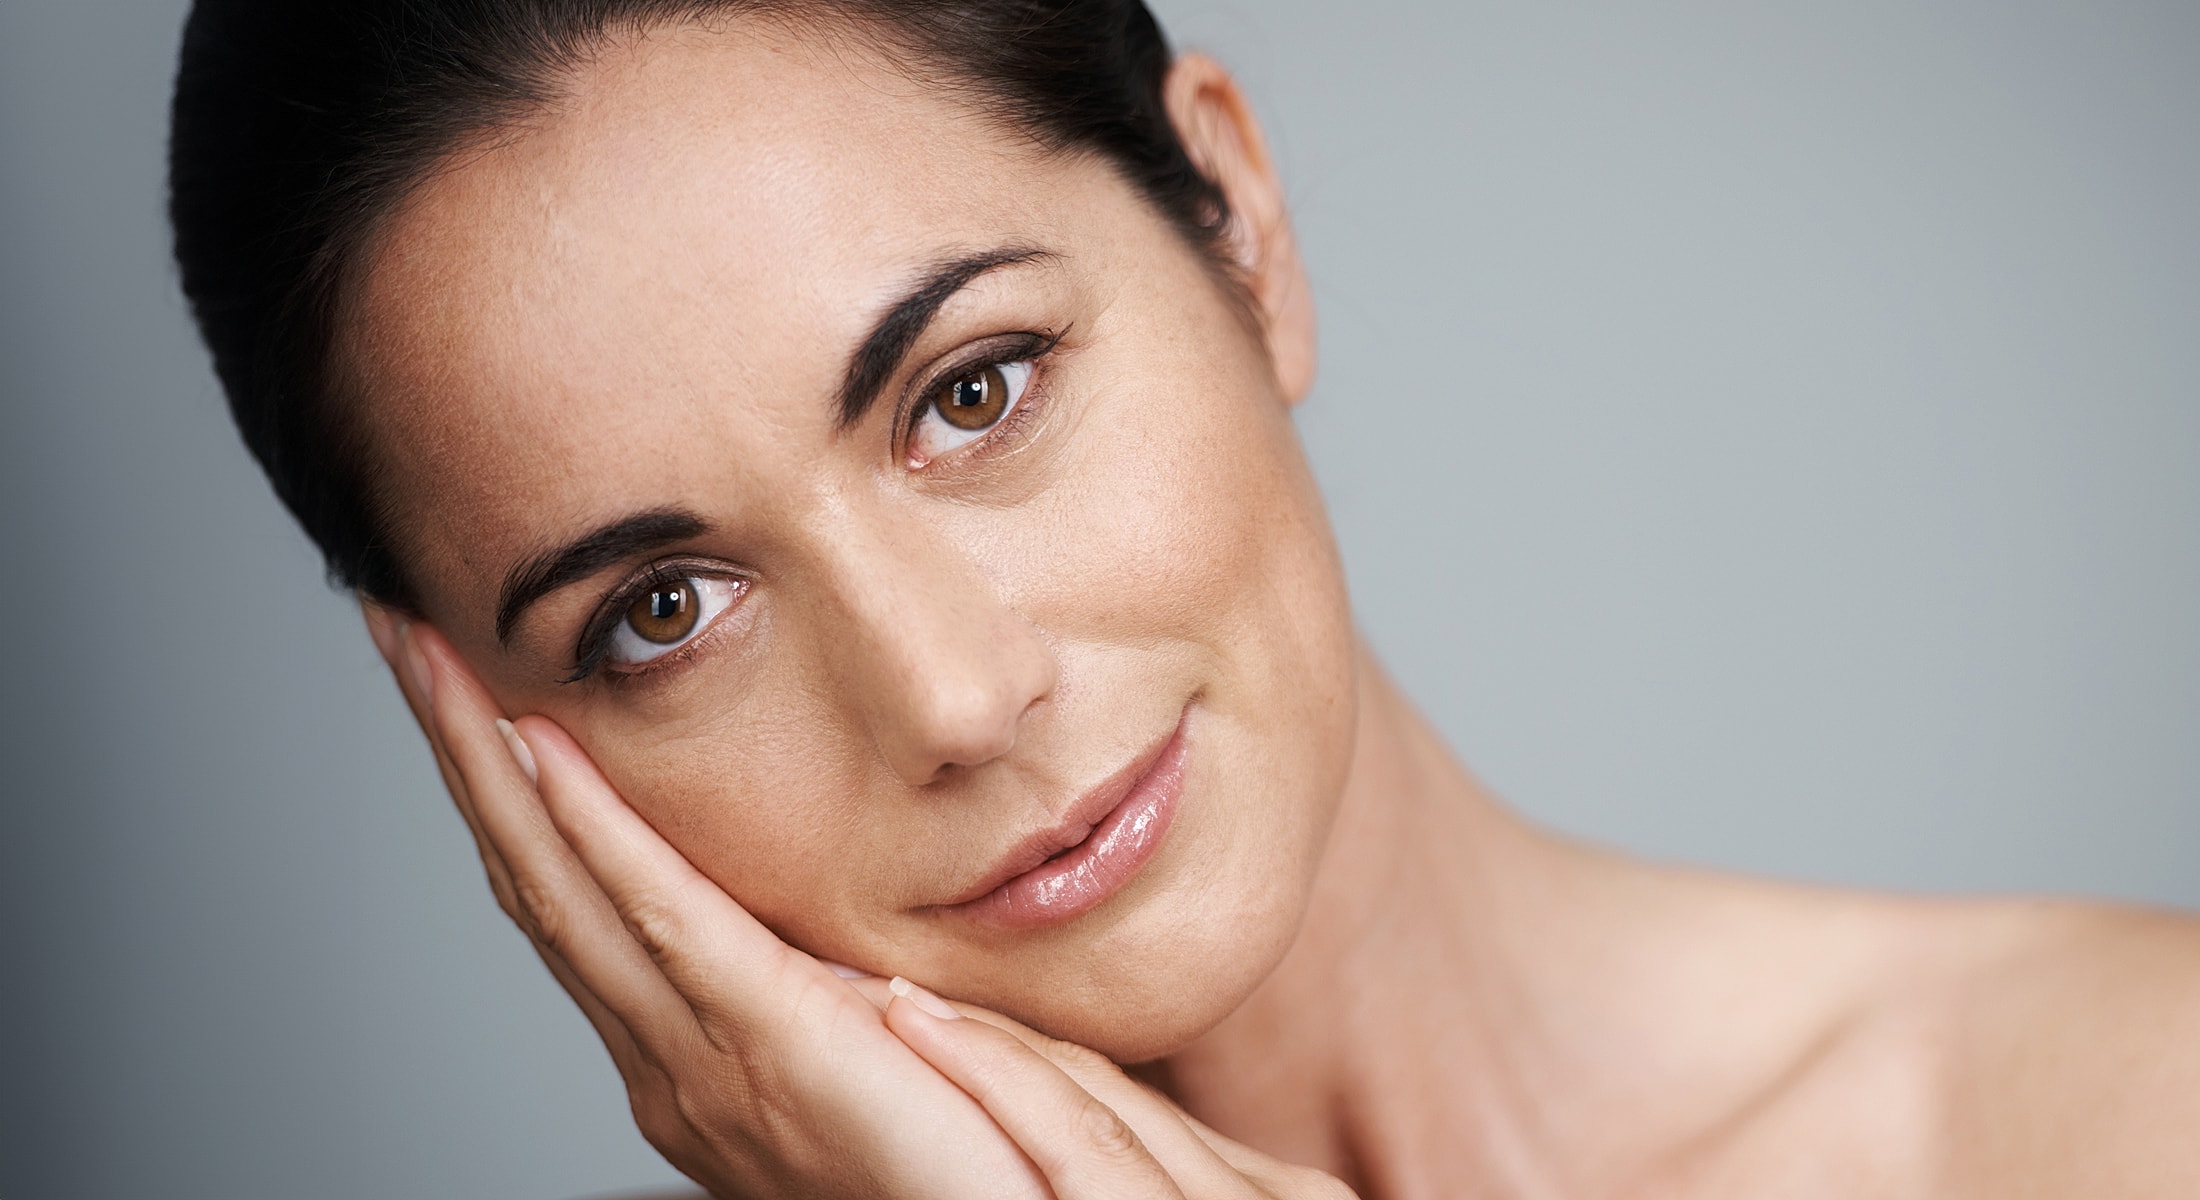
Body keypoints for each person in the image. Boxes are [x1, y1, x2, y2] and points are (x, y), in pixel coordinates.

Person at [167, 2, 2200, 1195]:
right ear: (491, 750)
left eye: (971, 390)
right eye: (665, 612)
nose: (951, 695)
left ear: (1236, 231)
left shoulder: (2116, 1117)